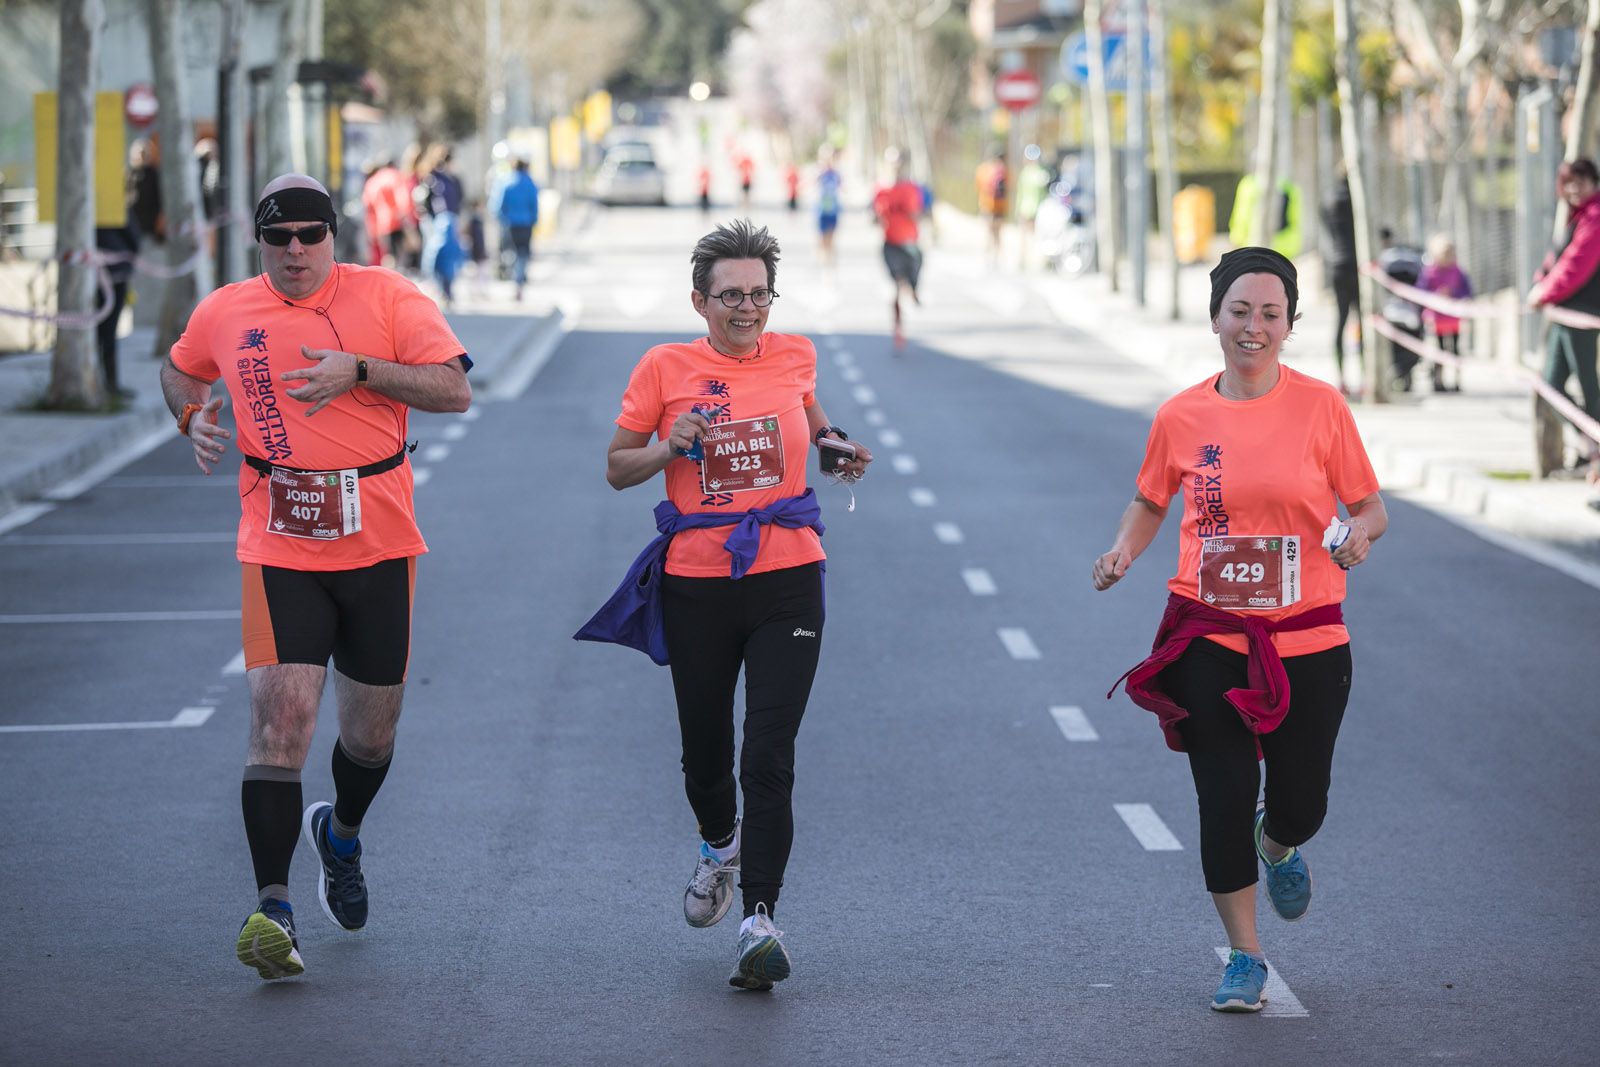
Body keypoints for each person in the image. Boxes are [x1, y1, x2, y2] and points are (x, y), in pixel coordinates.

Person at [158, 173, 472, 981]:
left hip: (379, 543)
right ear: (258, 242)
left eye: (310, 234)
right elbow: (179, 368)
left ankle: (341, 835)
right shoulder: (225, 309)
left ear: (336, 234)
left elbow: (454, 388)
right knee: (281, 721)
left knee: (370, 735)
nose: (294, 250)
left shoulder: (391, 297)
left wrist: (360, 371)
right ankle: (273, 910)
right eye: (278, 237)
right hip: (278, 541)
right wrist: (193, 417)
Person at [577, 219, 872, 992]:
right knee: (705, 754)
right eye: (731, 295)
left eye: (759, 293)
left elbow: (815, 424)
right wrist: (670, 447)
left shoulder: (797, 354)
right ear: (700, 300)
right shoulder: (663, 367)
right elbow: (615, 468)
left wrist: (838, 452)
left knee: (767, 755)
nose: (748, 308)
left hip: (787, 573)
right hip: (698, 581)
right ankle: (718, 844)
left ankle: (759, 920)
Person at [1093, 247, 1388, 1013]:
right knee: (1222, 794)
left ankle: (1280, 841)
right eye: (1239, 311)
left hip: (1311, 638)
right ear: (1216, 316)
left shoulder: (1322, 407)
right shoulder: (1182, 416)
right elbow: (1151, 499)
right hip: (1211, 634)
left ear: (1289, 324)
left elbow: (1369, 505)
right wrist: (1125, 548)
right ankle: (1245, 956)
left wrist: (1360, 536)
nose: (1253, 327)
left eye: (1270, 313)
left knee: (1302, 801)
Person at [1527, 157, 1600, 497]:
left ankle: (1595, 451)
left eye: (1581, 181)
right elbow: (1557, 257)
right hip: (1563, 312)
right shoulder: (1576, 214)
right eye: (1568, 181)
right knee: (1551, 386)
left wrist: (1545, 292)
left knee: (1589, 386)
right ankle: (1591, 449)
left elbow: (1577, 263)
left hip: (1582, 314)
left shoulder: (1595, 216)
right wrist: (1541, 282)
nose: (1574, 188)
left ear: (1593, 181)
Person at [871, 149, 924, 350]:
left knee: (911, 280)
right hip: (891, 244)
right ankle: (898, 327)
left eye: (898, 163)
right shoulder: (880, 190)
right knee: (897, 287)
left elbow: (918, 214)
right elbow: (875, 218)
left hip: (910, 245)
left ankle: (914, 289)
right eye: (891, 163)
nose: (895, 167)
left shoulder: (911, 189)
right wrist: (878, 216)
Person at [1319, 170, 1361, 397]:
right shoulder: (1357, 201)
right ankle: (1364, 377)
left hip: (1336, 263)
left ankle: (1341, 377)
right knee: (1362, 321)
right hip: (1357, 266)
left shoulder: (1329, 200)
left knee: (1341, 320)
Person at [1418, 233, 1473, 393]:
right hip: (1437, 319)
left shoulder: (1458, 272)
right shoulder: (1430, 273)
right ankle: (1438, 381)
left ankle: (1456, 381)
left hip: (1454, 319)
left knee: (1455, 349)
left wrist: (1454, 295)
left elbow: (1467, 291)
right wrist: (1436, 296)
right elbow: (1420, 291)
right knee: (1439, 351)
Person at [1375, 227, 1426, 391]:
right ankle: (1402, 373)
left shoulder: (1385, 259)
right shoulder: (1405, 259)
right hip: (1408, 315)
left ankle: (1399, 372)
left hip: (1394, 313)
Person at [490, 157, 540, 302]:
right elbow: (534, 204)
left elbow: (497, 205)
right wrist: (533, 220)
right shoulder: (530, 183)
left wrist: (502, 219)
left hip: (509, 223)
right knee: (523, 253)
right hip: (526, 223)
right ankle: (519, 280)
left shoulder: (505, 182)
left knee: (509, 251)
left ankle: (512, 278)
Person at [976, 148, 1008, 263]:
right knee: (997, 234)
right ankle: (997, 258)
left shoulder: (983, 169)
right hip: (1000, 206)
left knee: (988, 232)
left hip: (986, 205)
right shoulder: (1004, 170)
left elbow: (978, 186)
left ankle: (987, 257)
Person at [815, 149, 842, 269]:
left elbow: (842, 187)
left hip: (833, 210)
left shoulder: (836, 174)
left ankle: (830, 265)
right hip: (821, 210)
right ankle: (824, 262)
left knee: (831, 239)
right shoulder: (819, 172)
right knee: (822, 239)